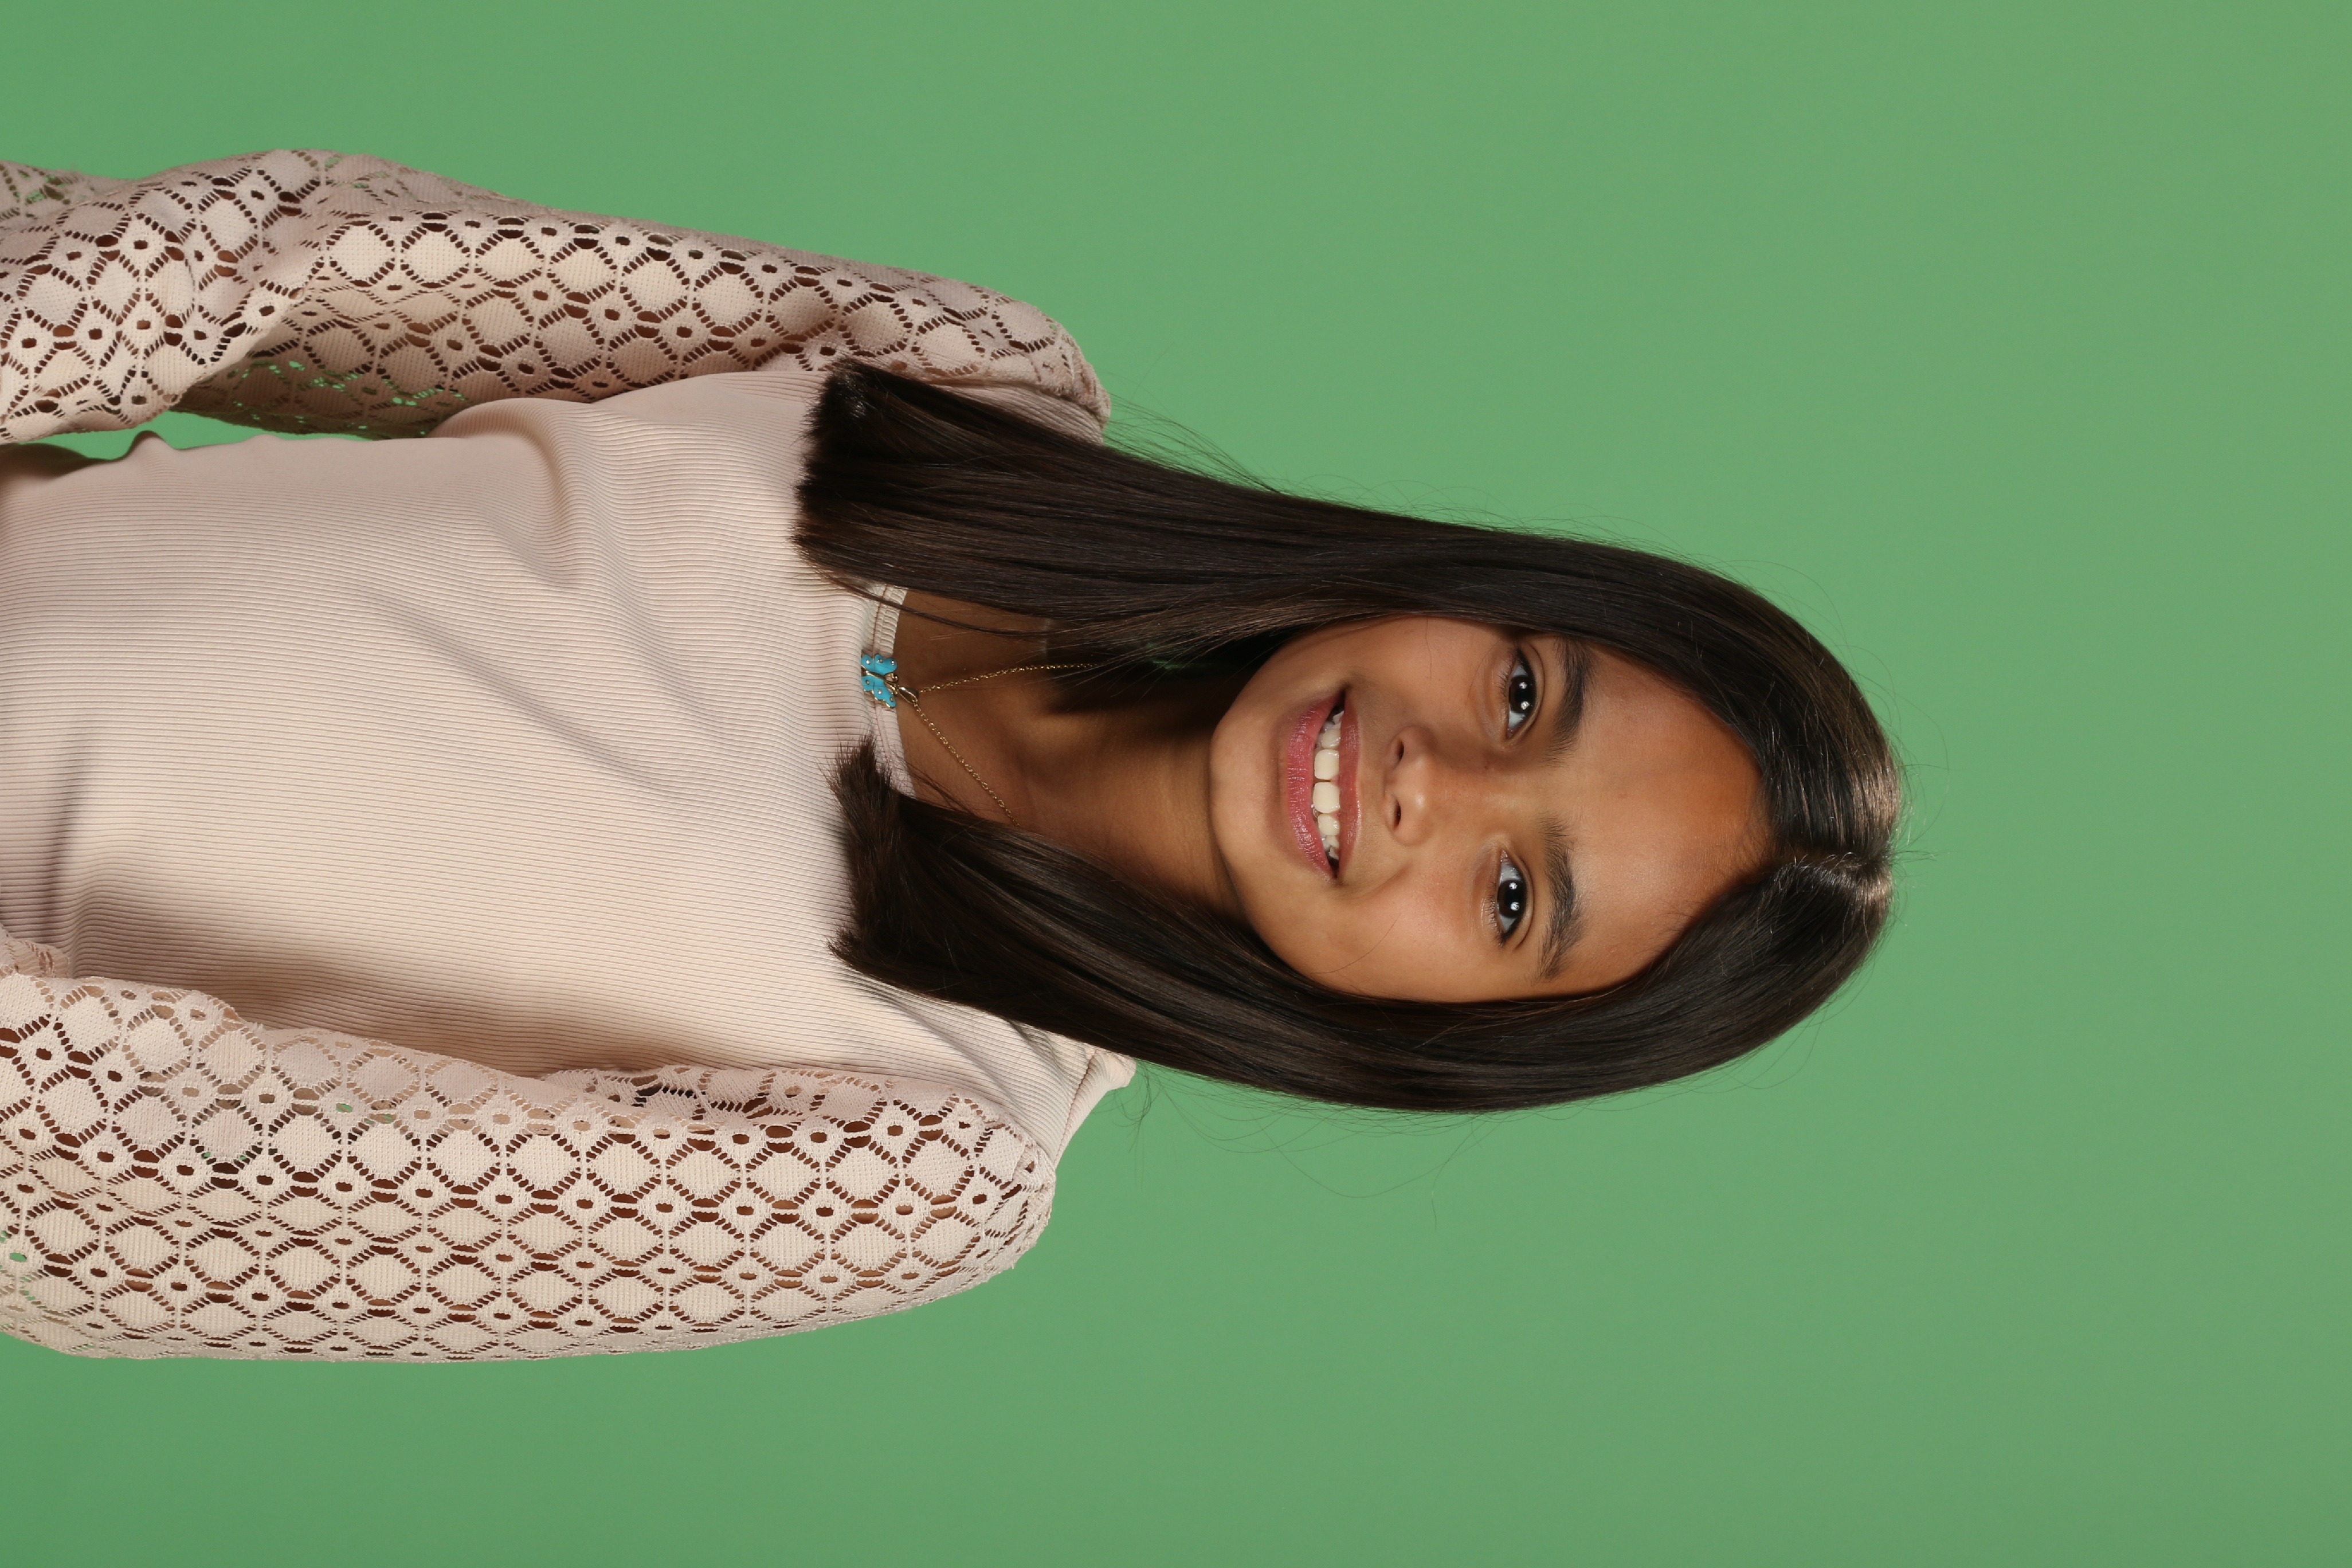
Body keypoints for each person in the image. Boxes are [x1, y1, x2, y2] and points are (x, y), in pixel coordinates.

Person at [0, 150, 1898, 1363]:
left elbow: (158, 1190)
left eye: (1514, 897)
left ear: (1455, 1031)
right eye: (1526, 700)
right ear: (1483, 596)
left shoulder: (926, 1155)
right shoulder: (960, 386)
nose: (1435, 787)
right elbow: (288, 271)